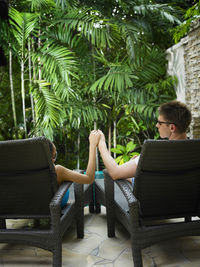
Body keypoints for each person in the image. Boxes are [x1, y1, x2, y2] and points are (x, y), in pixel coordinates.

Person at [97, 100, 192, 181]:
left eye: (160, 123)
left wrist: (101, 144)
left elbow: (115, 173)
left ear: (172, 128)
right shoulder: (194, 152)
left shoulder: (154, 152)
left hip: (155, 201)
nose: (156, 125)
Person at [47, 130, 101, 207]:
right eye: (55, 155)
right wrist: (92, 146)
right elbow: (89, 178)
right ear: (50, 157)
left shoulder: (27, 172)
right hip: (54, 206)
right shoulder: (57, 171)